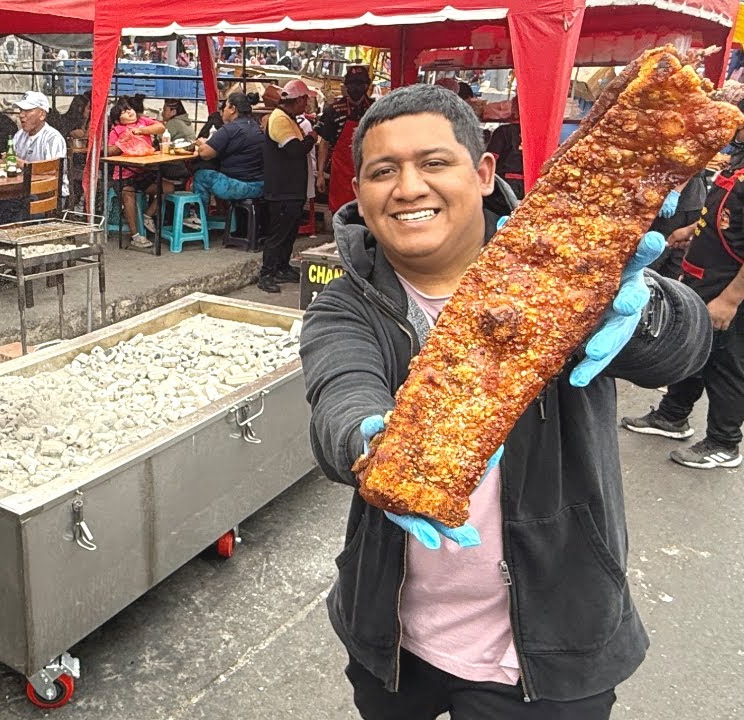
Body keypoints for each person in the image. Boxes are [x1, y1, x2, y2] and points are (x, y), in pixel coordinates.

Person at [301, 84, 710, 719]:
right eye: (383, 172)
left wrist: (647, 315)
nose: (408, 187)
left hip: (551, 639)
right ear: (358, 191)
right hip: (391, 636)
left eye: (434, 162)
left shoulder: (562, 272)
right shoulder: (345, 304)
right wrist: (370, 442)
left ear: (484, 172)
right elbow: (339, 393)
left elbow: (685, 347)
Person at [622, 101, 744, 469]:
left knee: (726, 363)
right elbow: (726, 214)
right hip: (703, 275)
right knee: (695, 349)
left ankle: (724, 442)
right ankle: (672, 416)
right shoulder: (737, 162)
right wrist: (691, 230)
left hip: (729, 288)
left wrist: (731, 299)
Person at [258, 81, 318, 293]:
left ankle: (282, 267)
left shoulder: (288, 118)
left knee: (289, 232)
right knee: (278, 234)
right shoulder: (279, 119)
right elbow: (295, 151)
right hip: (282, 189)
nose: (307, 104)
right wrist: (311, 138)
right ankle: (267, 273)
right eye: (306, 99)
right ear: (299, 100)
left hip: (292, 188)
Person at [0, 91, 67, 224]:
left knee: (17, 217)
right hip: (21, 193)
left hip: (47, 195)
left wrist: (23, 165)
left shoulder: (53, 138)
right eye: (21, 110)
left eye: (27, 111)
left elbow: (53, 172)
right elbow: (12, 161)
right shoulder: (20, 135)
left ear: (42, 114)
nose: (21, 115)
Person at [192, 92, 265, 226]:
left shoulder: (230, 129)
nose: (223, 110)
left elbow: (205, 153)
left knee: (201, 175)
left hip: (240, 186)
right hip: (260, 185)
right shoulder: (255, 125)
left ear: (232, 109)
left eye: (225, 106)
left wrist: (202, 143)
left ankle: (199, 219)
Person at [106, 97, 165, 249]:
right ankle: (136, 235)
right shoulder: (116, 130)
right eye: (124, 112)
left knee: (168, 188)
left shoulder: (142, 121)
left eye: (129, 109)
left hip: (144, 172)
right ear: (118, 120)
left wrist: (140, 130)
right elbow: (109, 151)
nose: (129, 112)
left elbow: (160, 128)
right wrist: (123, 141)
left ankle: (147, 215)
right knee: (128, 194)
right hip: (124, 175)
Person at [317, 64, 375, 213]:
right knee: (340, 212)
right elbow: (324, 143)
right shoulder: (334, 110)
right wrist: (320, 174)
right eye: (352, 84)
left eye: (360, 84)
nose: (356, 88)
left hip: (367, 170)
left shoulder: (375, 110)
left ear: (367, 86)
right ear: (346, 86)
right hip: (341, 172)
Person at [485, 119, 525, 198]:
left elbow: (492, 158)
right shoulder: (538, 132)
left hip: (505, 183)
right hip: (532, 184)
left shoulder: (503, 130)